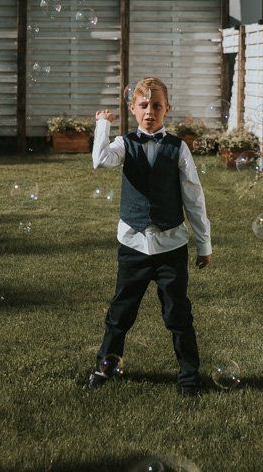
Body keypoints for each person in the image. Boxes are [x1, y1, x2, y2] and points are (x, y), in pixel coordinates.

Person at [87, 76, 213, 397]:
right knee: (120, 311)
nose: (149, 112)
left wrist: (204, 244)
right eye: (143, 105)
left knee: (178, 314)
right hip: (132, 245)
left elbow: (194, 197)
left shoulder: (178, 148)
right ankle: (105, 368)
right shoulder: (123, 144)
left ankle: (188, 378)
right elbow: (100, 161)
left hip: (171, 245)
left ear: (166, 109)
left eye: (156, 106)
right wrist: (103, 125)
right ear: (132, 109)